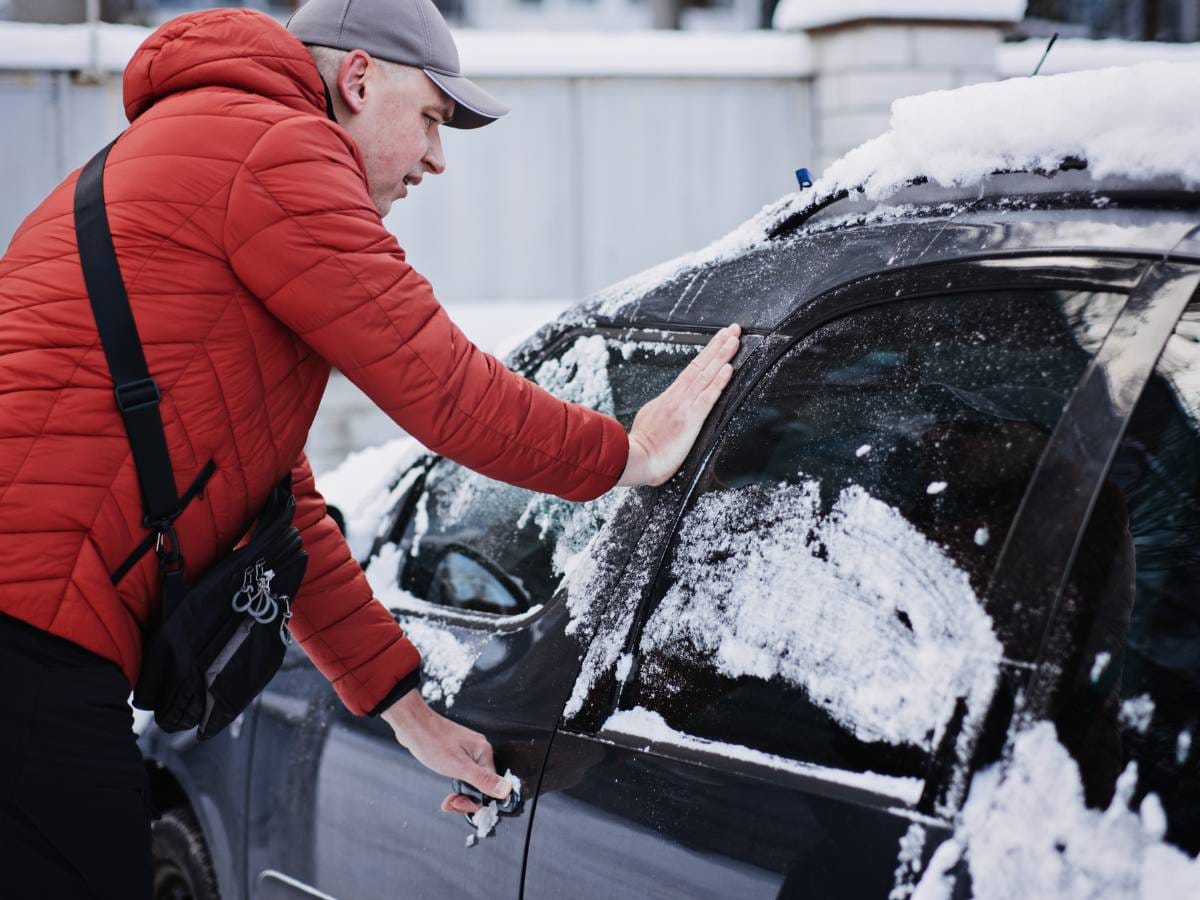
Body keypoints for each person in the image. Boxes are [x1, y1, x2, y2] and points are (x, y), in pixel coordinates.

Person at [0, 0, 740, 896]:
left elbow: (275, 514)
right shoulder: (277, 148)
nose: (436, 157)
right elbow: (444, 389)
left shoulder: (201, 148)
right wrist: (629, 454)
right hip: (33, 635)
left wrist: (409, 713)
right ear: (357, 79)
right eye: (430, 117)